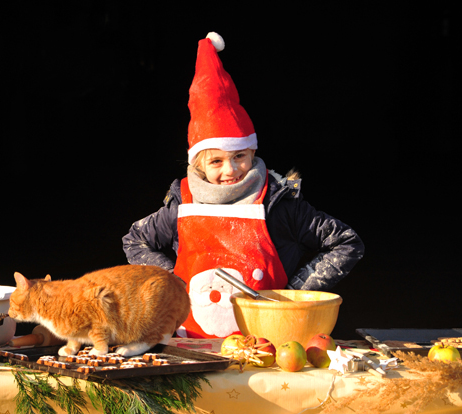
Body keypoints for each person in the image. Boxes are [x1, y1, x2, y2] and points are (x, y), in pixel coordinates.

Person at [122, 32, 364, 339]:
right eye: (216, 162)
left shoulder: (280, 203)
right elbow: (134, 240)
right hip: (190, 347)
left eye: (239, 156)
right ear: (198, 165)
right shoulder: (181, 204)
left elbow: (347, 242)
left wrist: (292, 295)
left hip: (270, 347)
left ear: (252, 152)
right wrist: (173, 282)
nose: (231, 170)